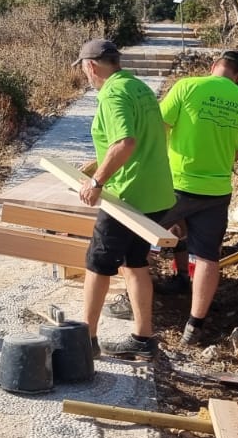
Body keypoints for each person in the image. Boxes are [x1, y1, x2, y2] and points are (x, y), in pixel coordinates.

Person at [73, 38, 177, 360]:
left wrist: (97, 181)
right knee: (135, 262)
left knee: (97, 264)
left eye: (84, 69)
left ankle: (85, 342)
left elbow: (125, 142)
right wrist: (97, 163)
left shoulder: (112, 93)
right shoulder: (138, 87)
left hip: (128, 196)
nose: (85, 75)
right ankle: (143, 339)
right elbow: (140, 138)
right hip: (156, 193)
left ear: (91, 66)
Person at [158, 49, 238, 347]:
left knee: (138, 236)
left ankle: (135, 298)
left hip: (175, 183)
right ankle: (194, 325)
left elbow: (159, 126)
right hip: (216, 191)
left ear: (214, 66)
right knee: (207, 256)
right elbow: (237, 154)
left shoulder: (188, 86)